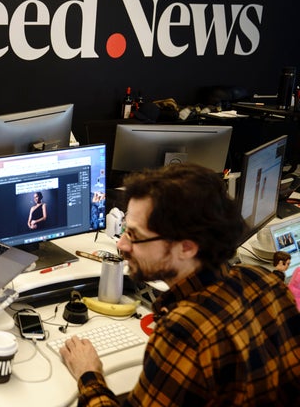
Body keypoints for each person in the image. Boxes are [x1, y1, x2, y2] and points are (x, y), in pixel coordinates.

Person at [58, 163, 300, 405]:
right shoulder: (265, 281)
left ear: (186, 247)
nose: (121, 245)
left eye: (134, 235)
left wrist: (89, 375)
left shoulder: (184, 332)